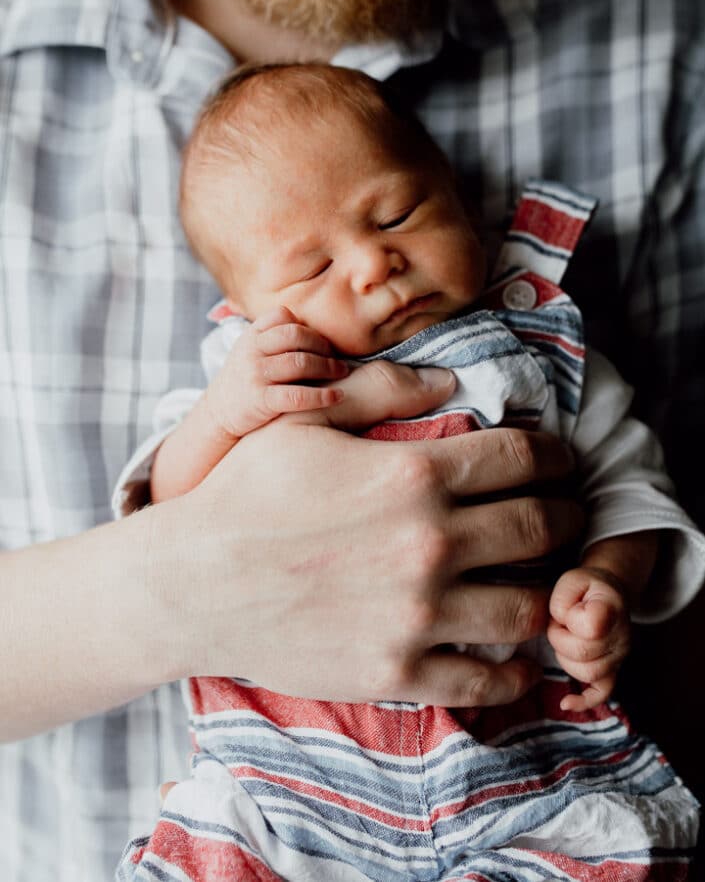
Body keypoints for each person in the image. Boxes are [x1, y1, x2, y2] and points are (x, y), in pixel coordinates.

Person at [0, 0, 704, 880]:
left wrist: (604, 582)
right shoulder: (249, 363)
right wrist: (173, 589)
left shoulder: (674, 43)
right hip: (260, 811)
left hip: (515, 791)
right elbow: (172, 473)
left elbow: (637, 484)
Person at [112, 60, 702, 881]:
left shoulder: (553, 356)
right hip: (289, 780)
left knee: (612, 852)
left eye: (397, 213)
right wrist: (224, 413)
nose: (371, 264)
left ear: (457, 195)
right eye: (310, 269)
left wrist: (607, 577)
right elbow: (163, 509)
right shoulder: (240, 377)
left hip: (514, 763)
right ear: (245, 307)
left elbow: (629, 491)